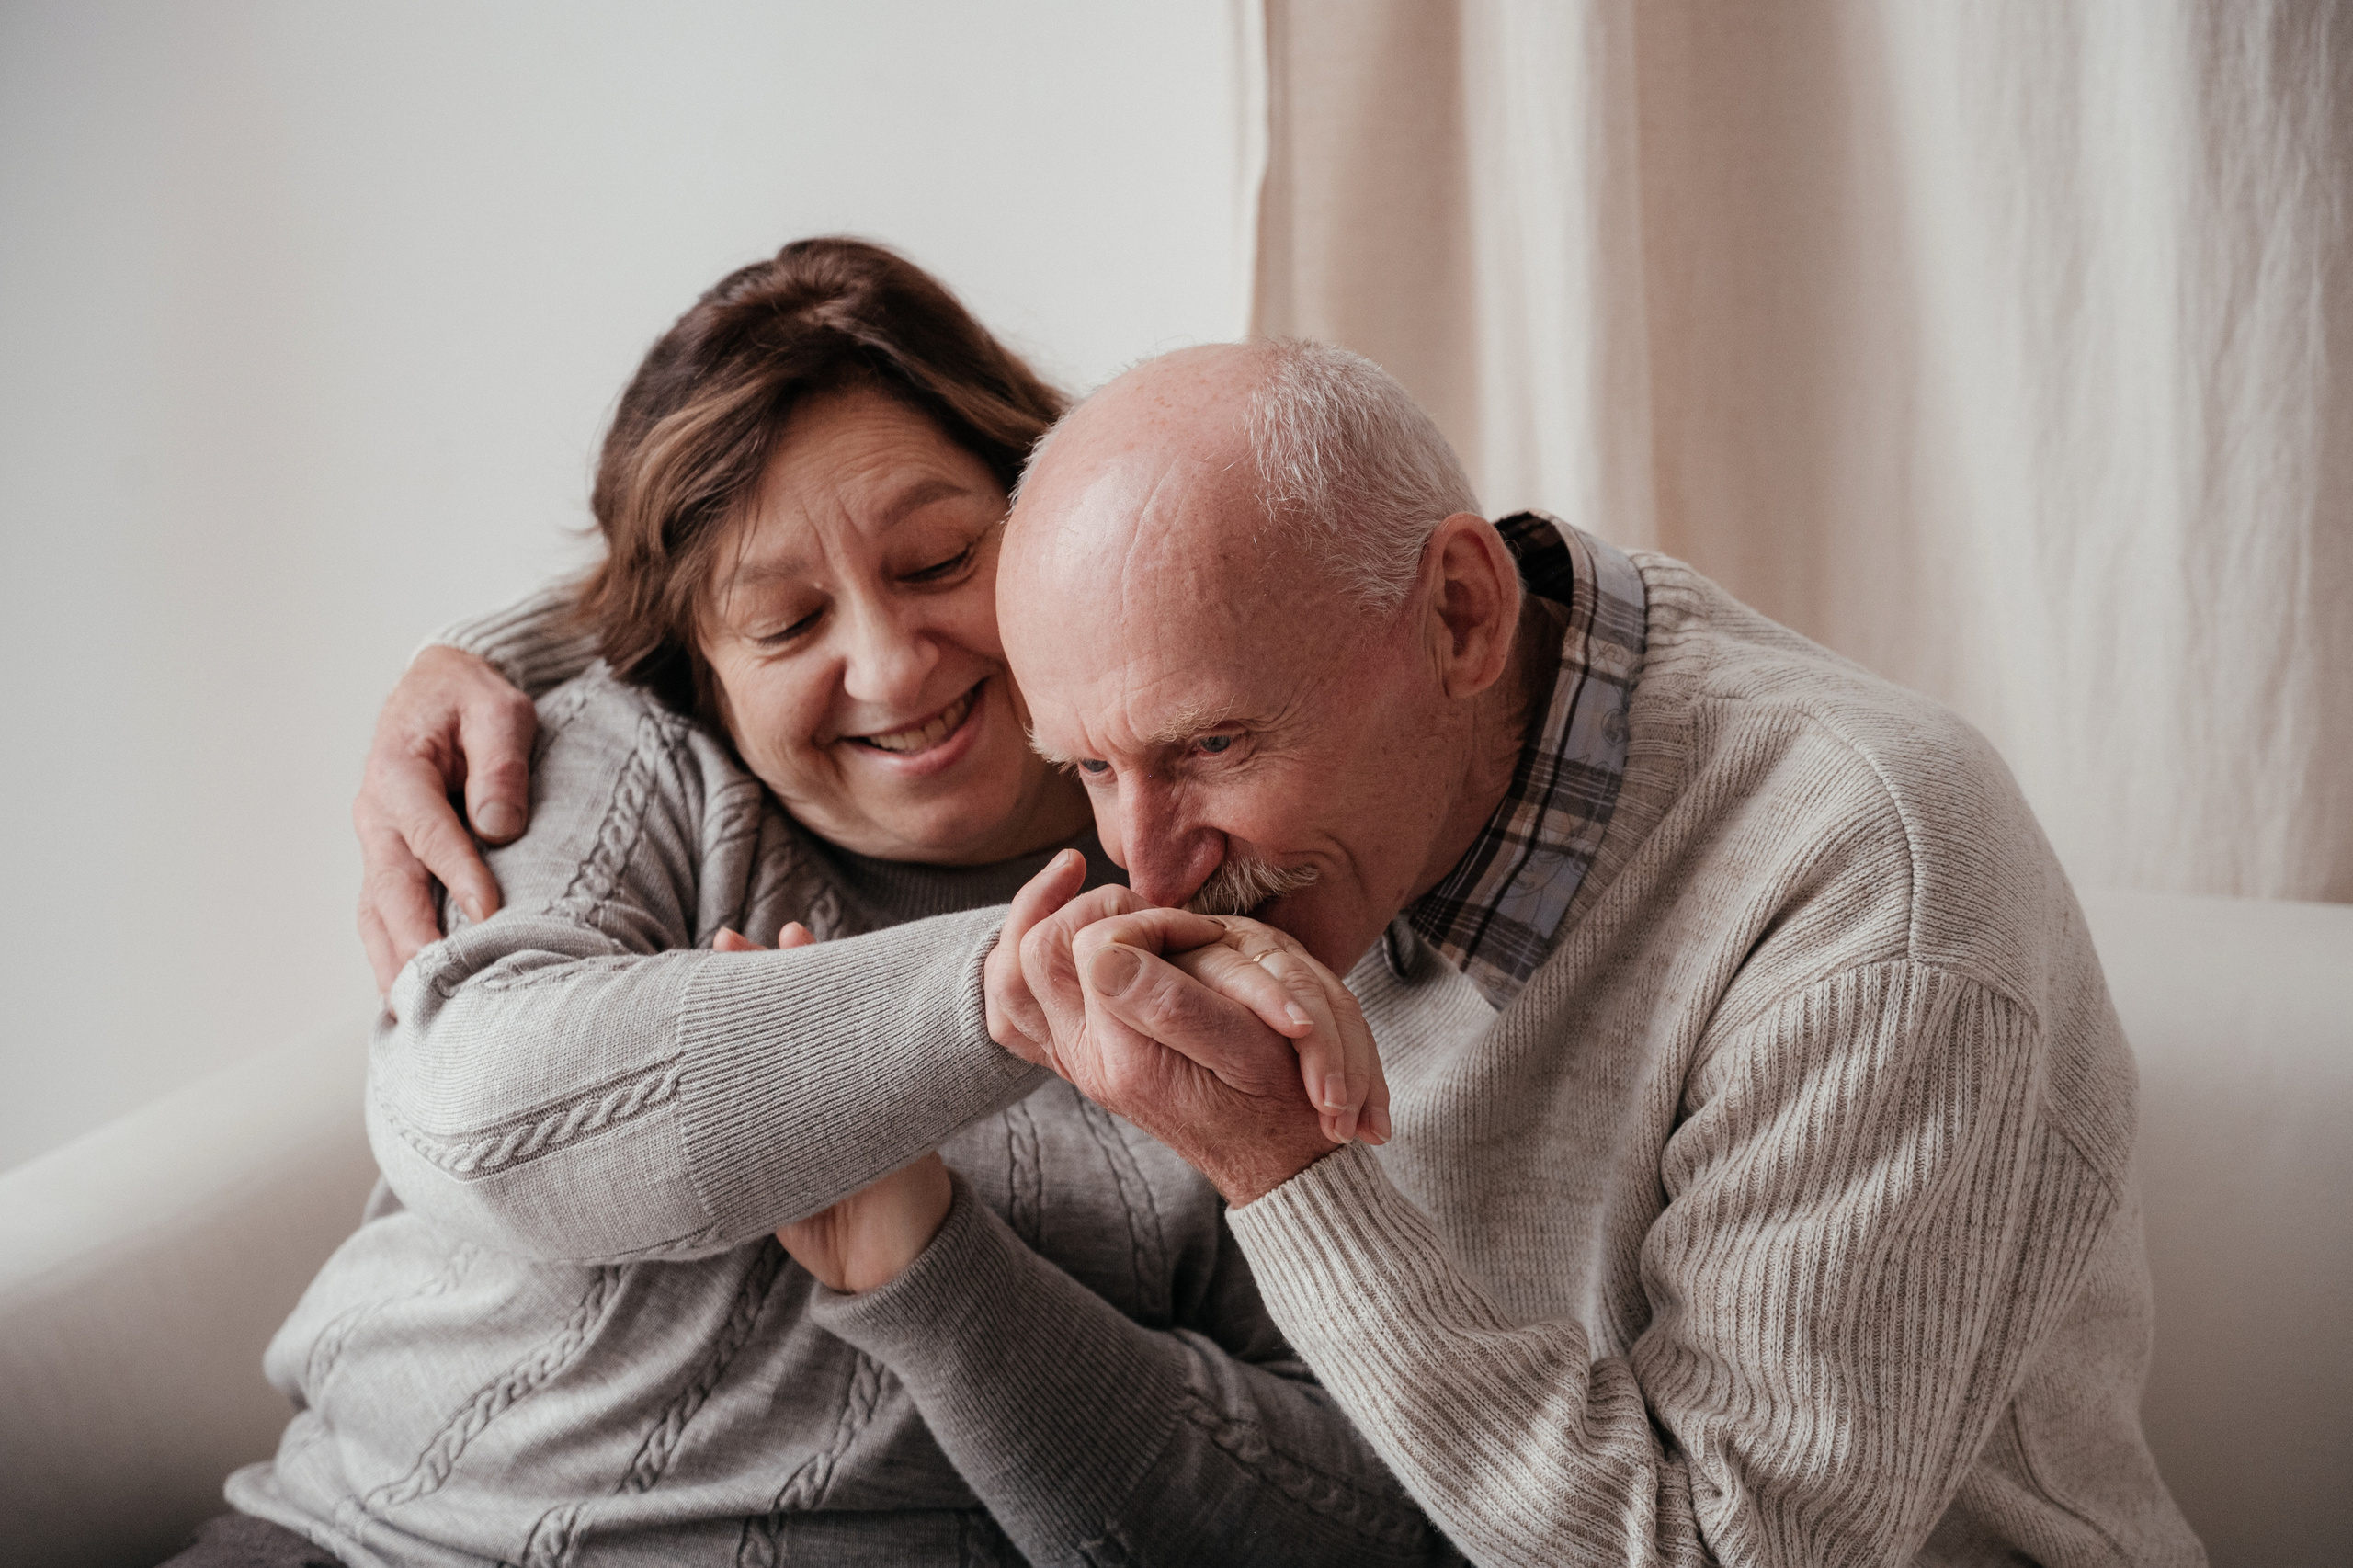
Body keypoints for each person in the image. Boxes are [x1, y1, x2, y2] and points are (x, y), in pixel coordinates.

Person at [369, 335, 2207, 1563]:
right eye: (1087, 765)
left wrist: (1280, 1173)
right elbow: (1075, 511)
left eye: (1206, 754)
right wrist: (507, 650)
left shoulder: (1860, 882)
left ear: (1463, 613)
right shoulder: (1318, 662)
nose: (1136, 852)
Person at [194, 243, 1441, 1568]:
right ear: (699, 661)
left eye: (940, 559)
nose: (892, 667)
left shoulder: (1260, 896)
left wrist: (939, 1272)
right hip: (350, 1542)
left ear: (1045, 518)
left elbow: (1367, 1522)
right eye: (787, 626)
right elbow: (475, 1116)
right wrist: (1009, 989)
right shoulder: (638, 763)